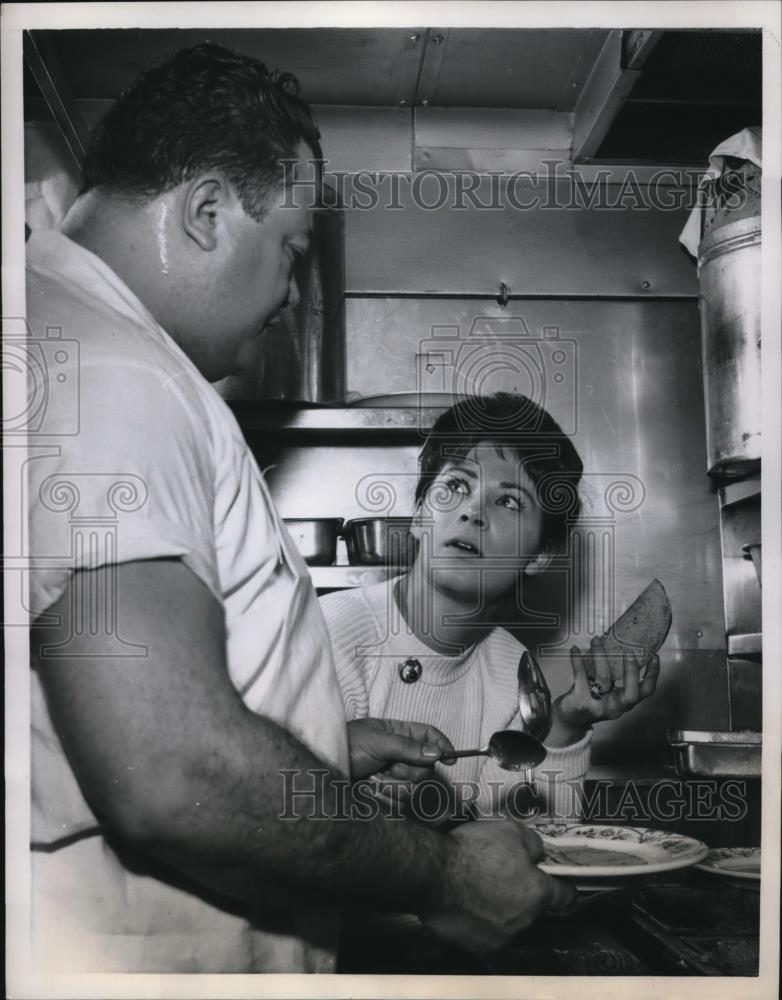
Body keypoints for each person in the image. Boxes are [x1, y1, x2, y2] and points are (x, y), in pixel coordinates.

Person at [25, 44, 574, 976]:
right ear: (205, 213)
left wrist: (324, 745)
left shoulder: (65, 334)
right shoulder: (116, 369)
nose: (287, 296)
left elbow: (138, 730)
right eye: (289, 251)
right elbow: (172, 772)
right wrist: (443, 877)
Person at [321, 392, 661, 822]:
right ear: (421, 514)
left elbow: (529, 844)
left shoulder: (512, 672)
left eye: (509, 501)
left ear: (540, 555)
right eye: (457, 486)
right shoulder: (332, 632)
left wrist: (567, 725)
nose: (472, 511)